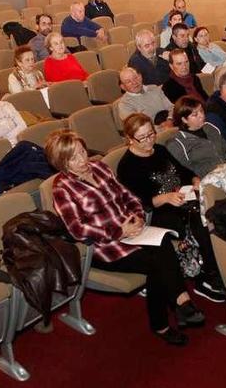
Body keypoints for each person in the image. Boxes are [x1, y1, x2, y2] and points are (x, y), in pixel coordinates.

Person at [46, 129, 205, 345]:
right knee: (157, 263)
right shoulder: (62, 188)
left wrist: (138, 218)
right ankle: (171, 313)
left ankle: (177, 308)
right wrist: (119, 231)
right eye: (73, 158)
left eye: (82, 152)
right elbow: (78, 229)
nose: (82, 160)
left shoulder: (100, 167)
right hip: (106, 246)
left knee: (164, 243)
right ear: (62, 164)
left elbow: (128, 196)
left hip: (133, 232)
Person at [117, 114, 226, 302]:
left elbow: (181, 170)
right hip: (158, 212)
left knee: (216, 208)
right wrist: (166, 197)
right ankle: (208, 276)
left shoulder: (159, 150)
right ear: (129, 139)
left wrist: (194, 179)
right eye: (142, 138)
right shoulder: (127, 165)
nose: (149, 140)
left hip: (181, 198)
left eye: (151, 134)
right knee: (199, 219)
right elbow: (140, 201)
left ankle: (221, 262)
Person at [165, 96, 226, 178]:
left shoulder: (210, 127)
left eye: (201, 111)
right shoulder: (177, 143)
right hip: (210, 179)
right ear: (184, 120)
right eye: (195, 115)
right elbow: (186, 173)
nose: (201, 116)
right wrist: (212, 170)